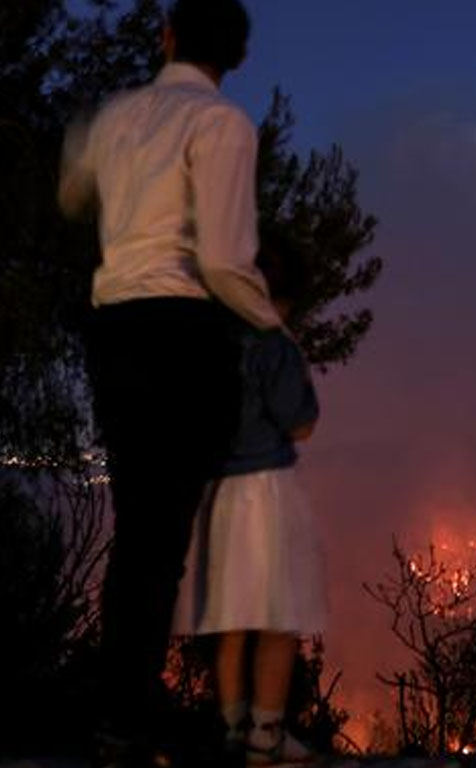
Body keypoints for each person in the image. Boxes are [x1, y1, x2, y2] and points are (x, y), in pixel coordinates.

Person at [58, 1, 280, 764]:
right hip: (183, 333)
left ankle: (121, 704)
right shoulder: (222, 127)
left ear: (168, 37)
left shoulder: (116, 118)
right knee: (168, 534)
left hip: (114, 330)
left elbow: (70, 194)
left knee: (140, 531)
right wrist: (272, 328)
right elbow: (222, 261)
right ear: (237, 58)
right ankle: (131, 712)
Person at [173, 230, 327, 766]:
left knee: (230, 616)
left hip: (220, 493)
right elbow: (301, 423)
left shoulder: (218, 340)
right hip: (266, 492)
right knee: (278, 615)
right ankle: (267, 734)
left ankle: (232, 728)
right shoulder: (274, 343)